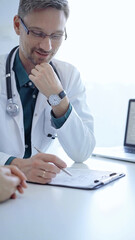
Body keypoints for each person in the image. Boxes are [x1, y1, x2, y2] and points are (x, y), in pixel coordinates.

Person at [0, 0, 95, 184]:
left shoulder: (69, 76)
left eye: (56, 35)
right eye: (37, 33)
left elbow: (82, 152)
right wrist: (16, 165)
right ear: (18, 25)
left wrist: (58, 97)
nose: (47, 46)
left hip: (43, 192)